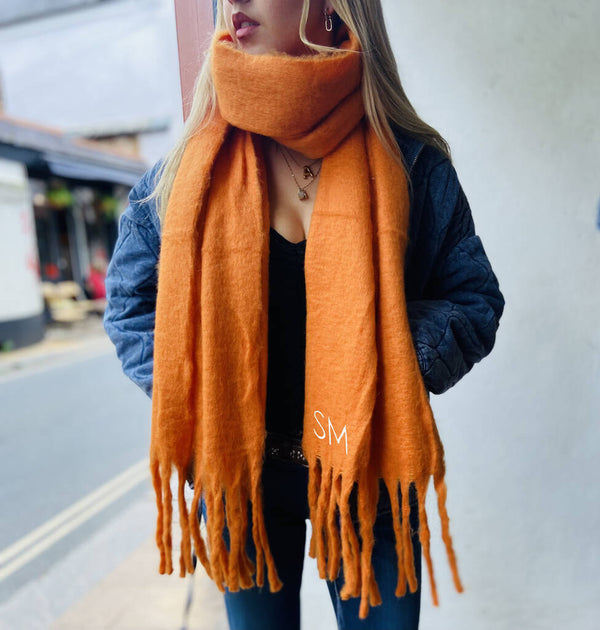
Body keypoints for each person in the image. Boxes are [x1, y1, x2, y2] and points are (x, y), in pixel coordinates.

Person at [103, 1, 505, 629]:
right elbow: (131, 308)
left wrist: (387, 362)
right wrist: (203, 392)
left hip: (368, 463)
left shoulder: (412, 165)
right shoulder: (187, 174)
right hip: (245, 480)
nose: (234, 2)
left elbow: (473, 299)